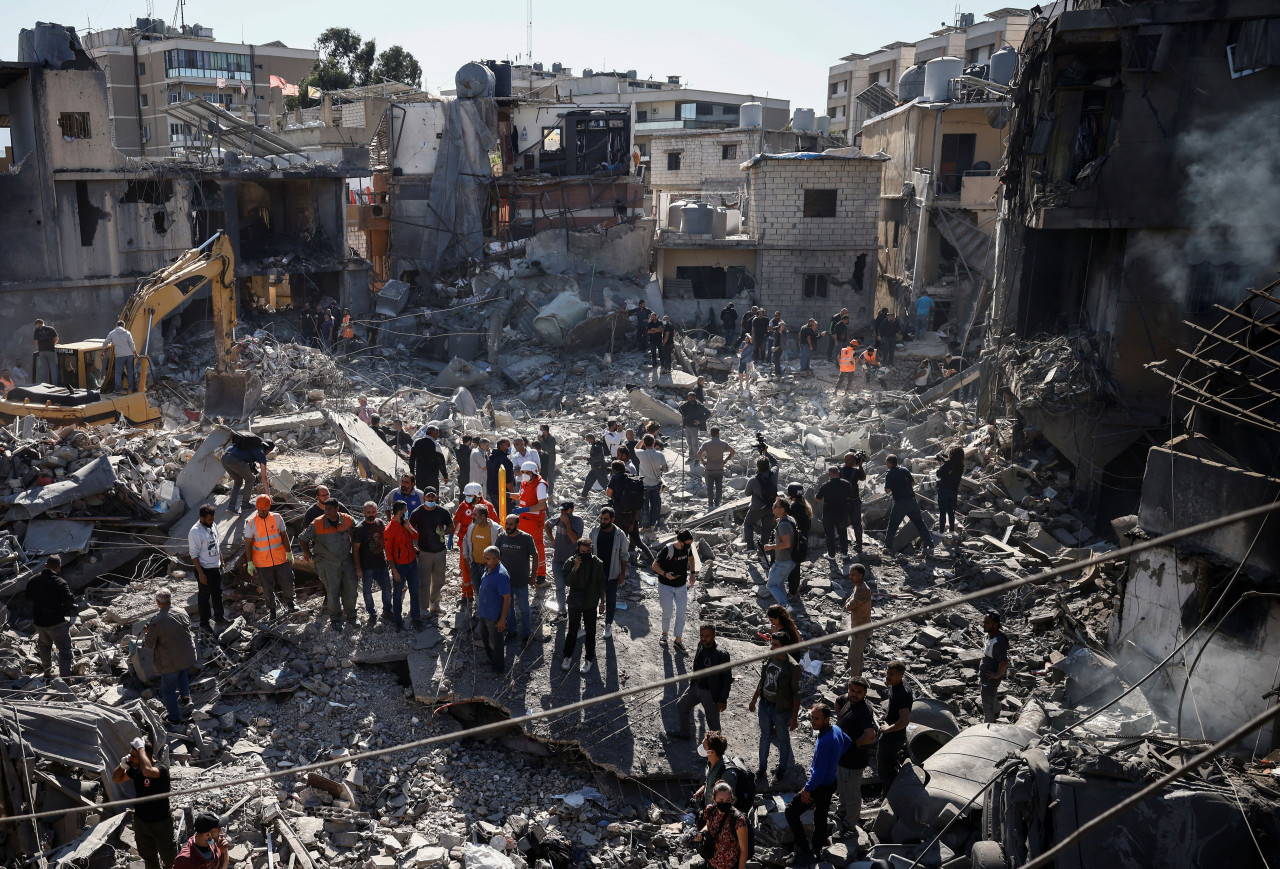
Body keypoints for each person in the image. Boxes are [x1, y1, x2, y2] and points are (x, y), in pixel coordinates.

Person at [784, 703, 849, 866]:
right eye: (812, 717)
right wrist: (834, 759)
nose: (813, 721)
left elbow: (818, 773)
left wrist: (807, 789)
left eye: (817, 718)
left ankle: (805, 849)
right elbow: (847, 743)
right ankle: (817, 849)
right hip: (830, 783)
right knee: (820, 817)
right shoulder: (836, 730)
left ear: (827, 719)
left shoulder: (825, 741)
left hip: (818, 786)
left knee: (791, 812)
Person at [111, 739, 175, 869]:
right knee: (149, 858)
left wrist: (140, 748)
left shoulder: (161, 769)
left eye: (134, 756)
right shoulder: (137, 770)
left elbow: (148, 772)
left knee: (171, 860)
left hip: (161, 823)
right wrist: (122, 766)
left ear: (145, 755)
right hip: (142, 823)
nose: (131, 759)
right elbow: (116, 779)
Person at [749, 631, 802, 782]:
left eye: (775, 645)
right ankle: (762, 768)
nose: (772, 647)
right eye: (772, 644)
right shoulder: (770, 658)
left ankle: (782, 769)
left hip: (781, 710)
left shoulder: (793, 667)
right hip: (765, 705)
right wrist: (754, 700)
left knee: (783, 739)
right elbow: (762, 681)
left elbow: (796, 694)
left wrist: (794, 717)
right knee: (764, 736)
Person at [299, 500, 360, 630]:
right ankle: (335, 618)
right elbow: (302, 538)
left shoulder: (347, 519)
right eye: (325, 509)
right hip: (328, 564)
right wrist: (310, 555)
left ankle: (351, 615)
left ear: (337, 509)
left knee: (351, 588)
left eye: (330, 509)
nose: (326, 512)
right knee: (332, 591)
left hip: (346, 560)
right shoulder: (317, 523)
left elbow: (356, 533)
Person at [144, 587, 197, 726]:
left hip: (170, 661)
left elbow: (149, 644)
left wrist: (147, 632)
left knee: (168, 690)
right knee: (182, 670)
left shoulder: (157, 621)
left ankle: (174, 718)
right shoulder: (182, 612)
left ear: (158, 603)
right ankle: (186, 698)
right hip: (187, 655)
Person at [834, 680, 877, 837]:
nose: (854, 694)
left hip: (854, 760)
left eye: (859, 692)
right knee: (842, 788)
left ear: (865, 693)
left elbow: (870, 735)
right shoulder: (847, 700)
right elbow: (838, 701)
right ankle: (841, 812)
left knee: (852, 793)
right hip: (842, 756)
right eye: (852, 690)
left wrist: (856, 744)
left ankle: (850, 826)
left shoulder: (864, 710)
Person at [672, 623, 732, 738]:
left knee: (713, 724)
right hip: (696, 687)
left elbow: (726, 679)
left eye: (707, 636)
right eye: (702, 635)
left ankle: (716, 750)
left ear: (714, 636)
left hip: (711, 694)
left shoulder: (721, 654)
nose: (704, 638)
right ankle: (685, 734)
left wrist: (723, 700)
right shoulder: (701, 645)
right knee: (681, 706)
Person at [243, 495, 296, 619]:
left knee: (288, 581)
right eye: (260, 510)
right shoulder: (251, 523)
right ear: (256, 508)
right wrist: (250, 562)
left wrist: (289, 553)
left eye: (264, 510)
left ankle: (291, 604)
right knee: (267, 588)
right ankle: (272, 610)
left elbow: (284, 535)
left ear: (269, 507)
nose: (262, 512)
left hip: (280, 559)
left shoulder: (277, 518)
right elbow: (248, 544)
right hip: (262, 562)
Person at [560, 535, 604, 675]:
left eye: (587, 551)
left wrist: (603, 603)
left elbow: (601, 584)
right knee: (572, 630)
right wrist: (575, 568)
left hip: (590, 602)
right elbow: (567, 582)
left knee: (591, 632)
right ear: (578, 550)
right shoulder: (570, 562)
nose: (585, 554)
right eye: (582, 551)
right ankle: (567, 657)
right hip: (575, 602)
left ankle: (589, 659)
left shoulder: (597, 563)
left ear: (591, 549)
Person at [25, 554, 74, 680]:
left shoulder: (33, 579)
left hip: (39, 622)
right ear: (59, 567)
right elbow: (69, 602)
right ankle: (65, 679)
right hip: (56, 623)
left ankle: (47, 673)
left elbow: (28, 597)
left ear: (46, 565)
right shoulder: (60, 582)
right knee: (65, 649)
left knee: (44, 646)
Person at [410, 489, 453, 617]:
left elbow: (451, 527)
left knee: (439, 580)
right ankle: (423, 607)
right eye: (428, 496)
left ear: (436, 497)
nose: (430, 499)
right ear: (423, 497)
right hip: (424, 552)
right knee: (424, 581)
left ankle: (435, 604)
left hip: (440, 551)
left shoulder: (442, 512)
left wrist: (444, 532)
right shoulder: (417, 513)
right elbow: (409, 530)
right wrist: (413, 545)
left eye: (432, 497)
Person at [497, 513, 538, 640]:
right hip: (505, 581)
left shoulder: (526, 538)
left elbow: (535, 556)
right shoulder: (501, 536)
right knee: (508, 609)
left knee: (524, 609)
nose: (508, 527)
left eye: (511, 524)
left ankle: (526, 633)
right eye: (506, 524)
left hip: (521, 580)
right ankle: (512, 631)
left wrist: (533, 576)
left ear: (517, 524)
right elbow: (496, 555)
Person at [652, 530, 696, 649]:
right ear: (680, 541)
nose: (689, 546)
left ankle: (678, 640)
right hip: (666, 586)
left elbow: (691, 558)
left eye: (690, 544)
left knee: (681, 614)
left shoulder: (687, 548)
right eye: (687, 543)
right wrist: (665, 574)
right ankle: (664, 634)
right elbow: (654, 566)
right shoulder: (668, 550)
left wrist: (692, 573)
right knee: (668, 612)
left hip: (681, 586)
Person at [590, 506, 629, 638]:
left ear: (612, 519)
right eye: (601, 518)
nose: (602, 521)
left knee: (610, 600)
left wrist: (622, 574)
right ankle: (589, 624)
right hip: (596, 572)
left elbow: (624, 555)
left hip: (612, 572)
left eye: (606, 519)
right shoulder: (594, 531)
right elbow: (589, 550)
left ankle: (608, 625)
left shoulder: (620, 535)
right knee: (592, 598)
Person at [883, 455, 934, 554]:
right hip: (912, 501)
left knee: (892, 525)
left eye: (887, 463)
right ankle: (930, 544)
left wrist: (894, 487)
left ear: (889, 463)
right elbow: (913, 483)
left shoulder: (889, 474)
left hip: (900, 504)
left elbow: (888, 491)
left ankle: (887, 547)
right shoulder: (904, 470)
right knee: (920, 524)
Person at [352, 501, 391, 628]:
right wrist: (358, 567)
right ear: (364, 512)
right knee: (367, 591)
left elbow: (385, 542)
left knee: (386, 588)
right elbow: (355, 549)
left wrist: (390, 560)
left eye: (373, 512)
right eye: (368, 512)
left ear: (376, 512)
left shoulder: (380, 523)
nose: (371, 514)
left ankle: (387, 611)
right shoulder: (359, 529)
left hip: (381, 563)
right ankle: (372, 613)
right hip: (366, 566)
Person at [605, 460, 653, 565]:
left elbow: (608, 493)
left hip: (619, 514)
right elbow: (636, 503)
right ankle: (653, 561)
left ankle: (617, 562)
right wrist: (633, 521)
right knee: (638, 541)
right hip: (632, 515)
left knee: (616, 538)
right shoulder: (633, 479)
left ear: (614, 469)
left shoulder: (616, 477)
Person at [187, 505, 226, 631]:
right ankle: (205, 623)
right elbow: (194, 555)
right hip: (204, 570)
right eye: (209, 520)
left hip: (215, 567)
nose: (211, 522)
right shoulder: (195, 532)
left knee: (217, 594)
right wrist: (201, 573)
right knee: (204, 596)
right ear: (202, 518)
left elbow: (217, 543)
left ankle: (220, 617)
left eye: (212, 519)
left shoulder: (212, 525)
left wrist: (221, 559)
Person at [384, 501, 420, 631]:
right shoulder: (389, 529)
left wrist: (407, 527)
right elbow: (388, 553)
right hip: (400, 566)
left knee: (415, 591)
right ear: (400, 512)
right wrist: (394, 571)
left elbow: (415, 535)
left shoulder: (405, 523)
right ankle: (398, 620)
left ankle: (415, 618)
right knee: (398, 593)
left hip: (412, 563)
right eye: (405, 510)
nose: (407, 512)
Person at [453, 483, 493, 603]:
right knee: (465, 569)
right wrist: (451, 535)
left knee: (483, 569)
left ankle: (483, 595)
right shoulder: (463, 506)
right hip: (464, 542)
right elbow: (456, 521)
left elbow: (495, 525)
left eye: (470, 496)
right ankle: (466, 595)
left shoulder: (487, 507)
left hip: (482, 544)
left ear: (478, 495)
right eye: (466, 496)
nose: (467, 498)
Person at [877, 660, 912, 792]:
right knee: (886, 765)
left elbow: (904, 721)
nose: (887, 676)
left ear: (900, 675)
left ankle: (888, 798)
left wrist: (888, 729)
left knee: (886, 768)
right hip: (892, 730)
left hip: (893, 735)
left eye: (891, 674)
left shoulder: (902, 693)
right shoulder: (896, 685)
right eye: (887, 672)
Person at [512, 460, 549, 581]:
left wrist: (524, 509)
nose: (524, 474)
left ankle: (541, 574)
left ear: (534, 472)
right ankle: (525, 571)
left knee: (537, 546)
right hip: (523, 520)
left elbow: (541, 505)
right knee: (522, 546)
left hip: (534, 521)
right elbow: (522, 496)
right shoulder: (525, 483)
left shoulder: (540, 485)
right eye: (523, 472)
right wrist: (508, 495)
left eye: (527, 472)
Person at [699, 780, 749, 869]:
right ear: (714, 798)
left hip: (729, 866)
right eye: (721, 800)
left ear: (731, 798)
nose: (724, 803)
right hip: (712, 862)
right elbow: (708, 826)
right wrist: (701, 833)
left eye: (728, 800)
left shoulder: (738, 820)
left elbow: (744, 850)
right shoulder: (710, 811)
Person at [544, 501, 584, 612]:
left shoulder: (577, 521)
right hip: (558, 559)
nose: (563, 512)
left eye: (565, 510)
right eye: (562, 510)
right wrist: (552, 539)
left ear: (572, 510)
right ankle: (562, 611)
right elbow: (547, 524)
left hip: (572, 561)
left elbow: (575, 540)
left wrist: (567, 524)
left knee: (574, 588)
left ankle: (574, 611)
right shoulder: (559, 518)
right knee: (560, 588)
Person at [476, 546, 511, 672]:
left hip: (494, 616)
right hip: (484, 614)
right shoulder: (489, 568)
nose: (484, 561)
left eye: (488, 559)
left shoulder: (501, 575)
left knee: (496, 643)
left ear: (497, 559)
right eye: (484, 557)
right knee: (485, 638)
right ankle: (490, 659)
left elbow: (507, 599)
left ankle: (498, 669)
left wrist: (502, 619)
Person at [220, 435, 272, 515]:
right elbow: (264, 476)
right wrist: (268, 495)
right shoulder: (261, 453)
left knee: (238, 481)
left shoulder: (251, 445)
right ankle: (245, 504)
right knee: (251, 479)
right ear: (268, 450)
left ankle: (231, 507)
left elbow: (245, 457)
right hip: (233, 459)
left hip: (224, 458)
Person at [462, 504, 502, 602]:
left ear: (483, 516)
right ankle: (480, 611)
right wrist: (466, 555)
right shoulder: (472, 527)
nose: (473, 516)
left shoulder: (496, 529)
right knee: (477, 590)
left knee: (491, 591)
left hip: (490, 567)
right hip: (475, 565)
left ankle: (491, 613)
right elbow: (465, 540)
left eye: (475, 514)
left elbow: (502, 548)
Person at [815, 465, 853, 561]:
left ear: (829, 474)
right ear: (838, 473)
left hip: (828, 512)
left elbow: (817, 498)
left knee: (829, 533)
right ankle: (844, 553)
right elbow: (849, 497)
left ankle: (831, 555)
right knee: (842, 532)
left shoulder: (825, 485)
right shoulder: (846, 484)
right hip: (842, 511)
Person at [743, 455, 778, 552]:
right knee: (766, 529)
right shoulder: (773, 474)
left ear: (757, 466)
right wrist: (767, 453)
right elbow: (776, 463)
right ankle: (763, 549)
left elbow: (747, 493)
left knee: (748, 524)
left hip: (756, 508)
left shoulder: (753, 480)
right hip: (771, 507)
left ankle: (750, 547)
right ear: (768, 465)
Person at [980, 611, 1010, 723]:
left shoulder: (998, 641)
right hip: (986, 677)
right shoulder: (990, 636)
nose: (984, 625)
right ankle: (991, 717)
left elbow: (1004, 662)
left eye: (987, 623)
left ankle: (988, 726)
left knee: (987, 705)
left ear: (995, 624)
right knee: (987, 700)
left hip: (990, 680)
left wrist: (997, 675)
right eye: (984, 622)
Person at [764, 499, 794, 610]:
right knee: (780, 583)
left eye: (775, 506)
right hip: (791, 560)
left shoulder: (783, 525)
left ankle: (785, 606)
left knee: (771, 585)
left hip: (783, 561)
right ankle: (785, 605)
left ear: (782, 509)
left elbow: (786, 544)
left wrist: (770, 547)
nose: (773, 507)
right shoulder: (789, 519)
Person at [844, 564, 872, 679]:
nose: (850, 577)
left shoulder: (862, 591)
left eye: (853, 575)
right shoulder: (857, 587)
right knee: (858, 654)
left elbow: (849, 606)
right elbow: (849, 601)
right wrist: (848, 602)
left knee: (854, 656)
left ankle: (854, 681)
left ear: (860, 576)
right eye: (850, 574)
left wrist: (848, 603)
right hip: (857, 626)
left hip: (861, 628)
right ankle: (858, 677)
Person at [636, 433, 668, 533]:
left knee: (644, 506)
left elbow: (636, 447)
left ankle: (645, 527)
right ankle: (652, 526)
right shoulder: (660, 454)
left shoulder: (641, 453)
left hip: (644, 484)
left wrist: (642, 440)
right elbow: (665, 469)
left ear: (644, 444)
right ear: (654, 443)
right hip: (656, 484)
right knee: (655, 505)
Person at [697, 427, 736, 509]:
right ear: (719, 433)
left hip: (710, 469)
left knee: (710, 488)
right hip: (719, 468)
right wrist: (725, 460)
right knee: (719, 487)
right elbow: (733, 452)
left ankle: (710, 504)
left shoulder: (706, 444)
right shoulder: (723, 443)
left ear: (710, 434)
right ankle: (717, 503)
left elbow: (699, 453)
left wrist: (703, 462)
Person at [784, 484, 812, 596]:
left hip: (796, 540)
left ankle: (792, 590)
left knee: (793, 565)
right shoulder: (805, 505)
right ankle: (794, 588)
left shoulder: (795, 506)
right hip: (803, 539)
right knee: (796, 564)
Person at [410, 425, 449, 496]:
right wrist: (445, 476)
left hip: (420, 475)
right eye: (437, 433)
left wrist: (412, 472)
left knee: (421, 495)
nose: (438, 435)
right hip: (432, 477)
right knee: (433, 496)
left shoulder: (416, 442)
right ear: (432, 433)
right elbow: (441, 461)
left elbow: (412, 458)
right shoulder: (435, 444)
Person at [840, 451, 868, 552]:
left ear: (844, 460)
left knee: (842, 523)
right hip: (855, 501)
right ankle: (859, 544)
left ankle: (842, 545)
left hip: (842, 502)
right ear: (853, 462)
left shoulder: (839, 470)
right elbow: (863, 478)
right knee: (857, 524)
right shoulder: (856, 472)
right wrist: (860, 465)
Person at [103, 320, 139, 393]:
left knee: (118, 373)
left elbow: (106, 342)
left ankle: (118, 389)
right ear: (124, 325)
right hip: (129, 355)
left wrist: (102, 351)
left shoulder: (112, 333)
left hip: (119, 356)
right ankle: (130, 388)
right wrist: (135, 353)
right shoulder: (127, 333)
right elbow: (132, 344)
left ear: (117, 325)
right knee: (130, 372)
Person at [936, 445, 965, 535]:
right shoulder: (961, 466)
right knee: (951, 511)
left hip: (944, 490)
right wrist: (945, 461)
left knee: (942, 511)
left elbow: (939, 474)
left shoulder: (948, 464)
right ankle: (951, 530)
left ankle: (941, 531)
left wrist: (941, 464)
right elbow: (951, 466)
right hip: (954, 491)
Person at [679, 392, 711, 461]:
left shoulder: (699, 406)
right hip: (687, 426)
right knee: (689, 443)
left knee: (694, 444)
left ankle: (697, 458)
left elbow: (708, 413)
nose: (690, 399)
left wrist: (700, 421)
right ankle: (691, 457)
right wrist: (684, 417)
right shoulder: (686, 405)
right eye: (689, 397)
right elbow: (680, 409)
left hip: (694, 427)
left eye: (692, 397)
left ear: (695, 398)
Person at [486, 437, 516, 507]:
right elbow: (508, 480)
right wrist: (512, 494)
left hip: (492, 492)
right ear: (502, 447)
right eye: (508, 446)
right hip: (504, 493)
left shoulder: (490, 458)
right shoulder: (504, 460)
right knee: (507, 514)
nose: (509, 448)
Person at [581, 433, 611, 499]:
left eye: (587, 439)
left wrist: (588, 459)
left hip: (599, 469)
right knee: (588, 481)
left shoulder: (597, 447)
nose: (587, 440)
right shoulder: (595, 445)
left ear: (590, 439)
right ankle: (583, 495)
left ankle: (614, 497)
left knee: (605, 484)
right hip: (595, 468)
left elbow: (598, 458)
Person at [33, 318, 58, 384]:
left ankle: (45, 384)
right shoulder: (51, 329)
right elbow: (56, 339)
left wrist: (40, 347)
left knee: (44, 367)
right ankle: (55, 384)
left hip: (41, 351)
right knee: (53, 367)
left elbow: (36, 342)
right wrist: (53, 344)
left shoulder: (36, 330)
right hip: (50, 350)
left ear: (37, 324)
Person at [535, 424, 557, 492]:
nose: (540, 431)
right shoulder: (541, 438)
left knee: (550, 479)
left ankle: (550, 494)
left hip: (550, 461)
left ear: (546, 431)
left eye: (542, 430)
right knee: (542, 478)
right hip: (542, 461)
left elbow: (549, 449)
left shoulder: (552, 439)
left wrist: (542, 440)